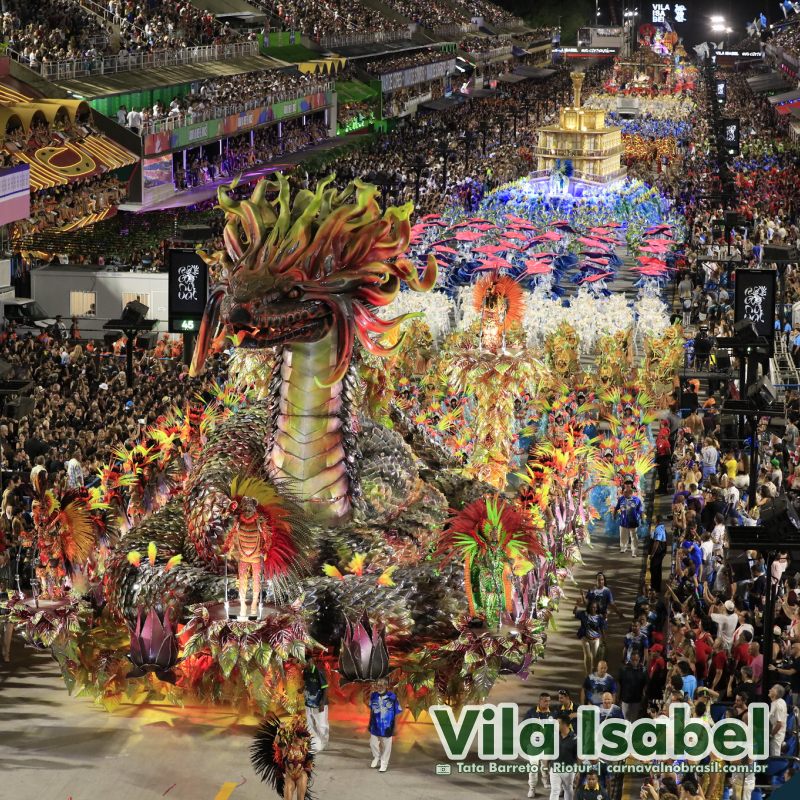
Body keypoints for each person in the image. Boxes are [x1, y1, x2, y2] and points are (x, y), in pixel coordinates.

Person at [368, 677, 402, 773]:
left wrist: (396, 727)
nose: (379, 687)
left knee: (386, 746)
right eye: (378, 685)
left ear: (386, 686)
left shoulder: (392, 697)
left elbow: (397, 712)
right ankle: (376, 757)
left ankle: (384, 763)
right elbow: (372, 710)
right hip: (375, 725)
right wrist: (369, 723)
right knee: (372, 743)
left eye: (382, 685)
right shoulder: (373, 696)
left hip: (388, 726)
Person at [524, 692, 553, 798]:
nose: (547, 703)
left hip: (547, 745)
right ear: (539, 701)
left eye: (549, 701)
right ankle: (532, 788)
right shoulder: (531, 712)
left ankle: (545, 779)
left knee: (545, 765)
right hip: (533, 745)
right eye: (545, 701)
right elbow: (523, 726)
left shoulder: (552, 713)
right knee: (533, 767)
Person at [303, 657, 329, 753]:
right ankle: (315, 743)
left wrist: (322, 702)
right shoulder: (305, 671)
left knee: (321, 725)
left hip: (319, 703)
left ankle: (324, 742)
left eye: (304, 661)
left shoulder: (319, 672)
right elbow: (306, 683)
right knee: (309, 724)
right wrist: (302, 689)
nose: (302, 663)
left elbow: (325, 688)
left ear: (310, 661)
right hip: (308, 702)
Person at [574, 599, 607, 675]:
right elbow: (575, 613)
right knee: (588, 656)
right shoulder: (584, 614)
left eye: (595, 607)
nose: (593, 609)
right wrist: (577, 605)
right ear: (589, 608)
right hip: (585, 638)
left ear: (597, 608)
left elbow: (602, 629)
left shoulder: (599, 618)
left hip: (595, 640)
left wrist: (604, 639)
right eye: (592, 607)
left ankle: (594, 670)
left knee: (595, 657)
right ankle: (588, 674)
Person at [549, 712, 577, 800]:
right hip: (555, 768)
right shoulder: (554, 735)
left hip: (568, 770)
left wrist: (578, 771)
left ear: (565, 724)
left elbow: (578, 757)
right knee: (555, 790)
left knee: (568, 789)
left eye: (558, 723)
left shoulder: (575, 738)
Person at [613, 479, 643, 557]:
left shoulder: (637, 500)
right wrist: (614, 515)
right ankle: (623, 548)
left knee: (634, 537)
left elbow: (640, 510)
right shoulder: (621, 499)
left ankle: (634, 551)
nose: (625, 493)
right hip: (623, 521)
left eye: (627, 492)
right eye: (624, 492)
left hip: (633, 521)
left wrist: (642, 519)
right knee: (623, 535)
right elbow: (616, 508)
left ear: (632, 493)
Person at [619, 651, 647, 721]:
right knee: (625, 717)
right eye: (633, 660)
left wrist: (644, 696)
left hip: (636, 699)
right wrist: (619, 697)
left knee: (634, 718)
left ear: (639, 659)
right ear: (630, 659)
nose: (634, 662)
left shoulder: (643, 670)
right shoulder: (624, 669)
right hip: (625, 699)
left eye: (636, 660)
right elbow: (619, 683)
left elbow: (645, 684)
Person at [648, 516, 667, 592]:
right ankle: (656, 587)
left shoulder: (658, 529)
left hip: (657, 553)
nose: (653, 520)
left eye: (654, 519)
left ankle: (654, 588)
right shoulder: (661, 527)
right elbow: (652, 535)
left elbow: (656, 542)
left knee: (654, 570)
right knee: (657, 570)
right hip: (660, 553)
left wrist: (652, 554)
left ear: (658, 520)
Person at [768, 683, 787, 757]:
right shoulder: (780, 701)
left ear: (776, 693)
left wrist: (771, 735)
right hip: (776, 733)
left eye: (772, 689)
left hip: (776, 736)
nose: (769, 690)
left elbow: (779, 724)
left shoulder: (778, 705)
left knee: (775, 757)